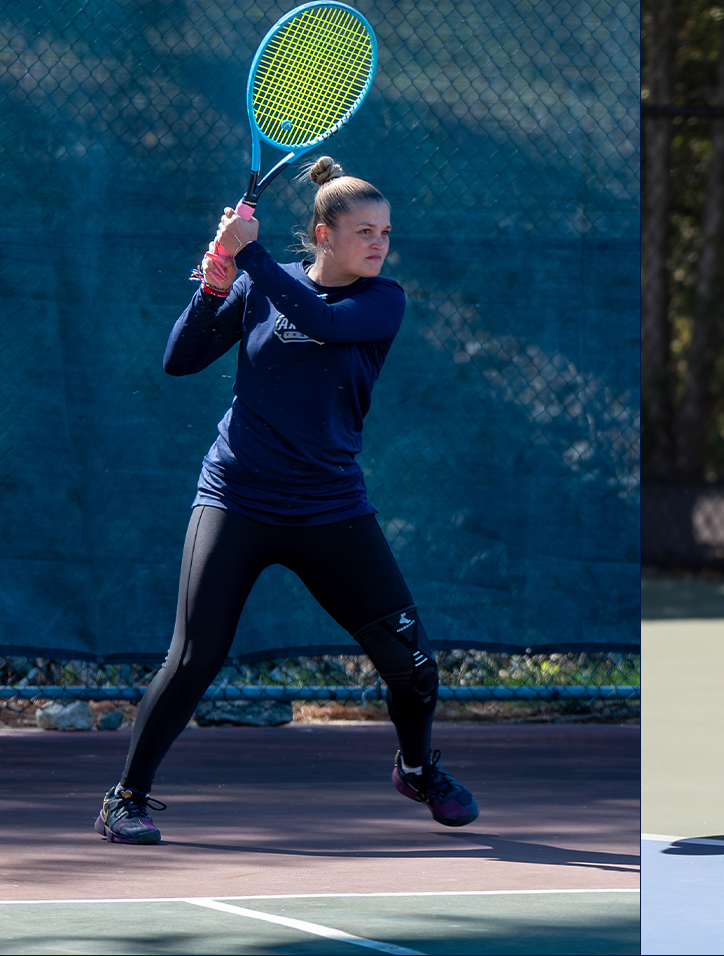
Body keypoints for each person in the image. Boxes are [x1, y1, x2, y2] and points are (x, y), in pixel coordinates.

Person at [94, 157, 477, 845]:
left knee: (414, 665)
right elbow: (179, 360)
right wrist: (213, 288)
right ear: (324, 234)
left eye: (386, 232)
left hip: (331, 508)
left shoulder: (382, 300)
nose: (379, 244)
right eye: (364, 231)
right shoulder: (264, 286)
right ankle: (126, 798)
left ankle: (417, 768)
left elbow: (321, 323)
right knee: (193, 659)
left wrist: (250, 256)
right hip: (236, 497)